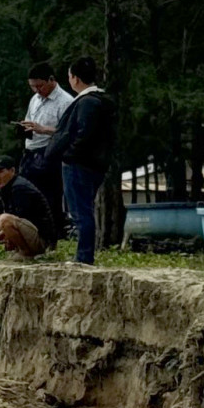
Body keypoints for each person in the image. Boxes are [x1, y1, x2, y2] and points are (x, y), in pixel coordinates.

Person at [40, 56, 117, 264]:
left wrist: (69, 154)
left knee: (81, 212)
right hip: (95, 164)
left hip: (80, 164)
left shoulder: (87, 103)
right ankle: (84, 255)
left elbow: (83, 134)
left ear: (74, 78)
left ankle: (84, 257)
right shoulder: (102, 101)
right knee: (83, 210)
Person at [18, 61, 74, 224]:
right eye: (33, 87)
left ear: (51, 80)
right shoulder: (35, 99)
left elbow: (68, 132)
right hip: (30, 152)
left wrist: (44, 129)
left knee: (48, 197)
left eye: (40, 86)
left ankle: (53, 233)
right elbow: (30, 119)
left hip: (49, 153)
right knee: (27, 195)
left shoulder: (65, 102)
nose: (37, 91)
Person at [0, 155, 56, 258]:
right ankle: (16, 249)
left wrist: (5, 232)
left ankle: (26, 253)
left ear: (12, 171)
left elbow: (23, 217)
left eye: (0, 171)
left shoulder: (19, 188)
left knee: (5, 219)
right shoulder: (7, 188)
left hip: (42, 239)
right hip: (29, 232)